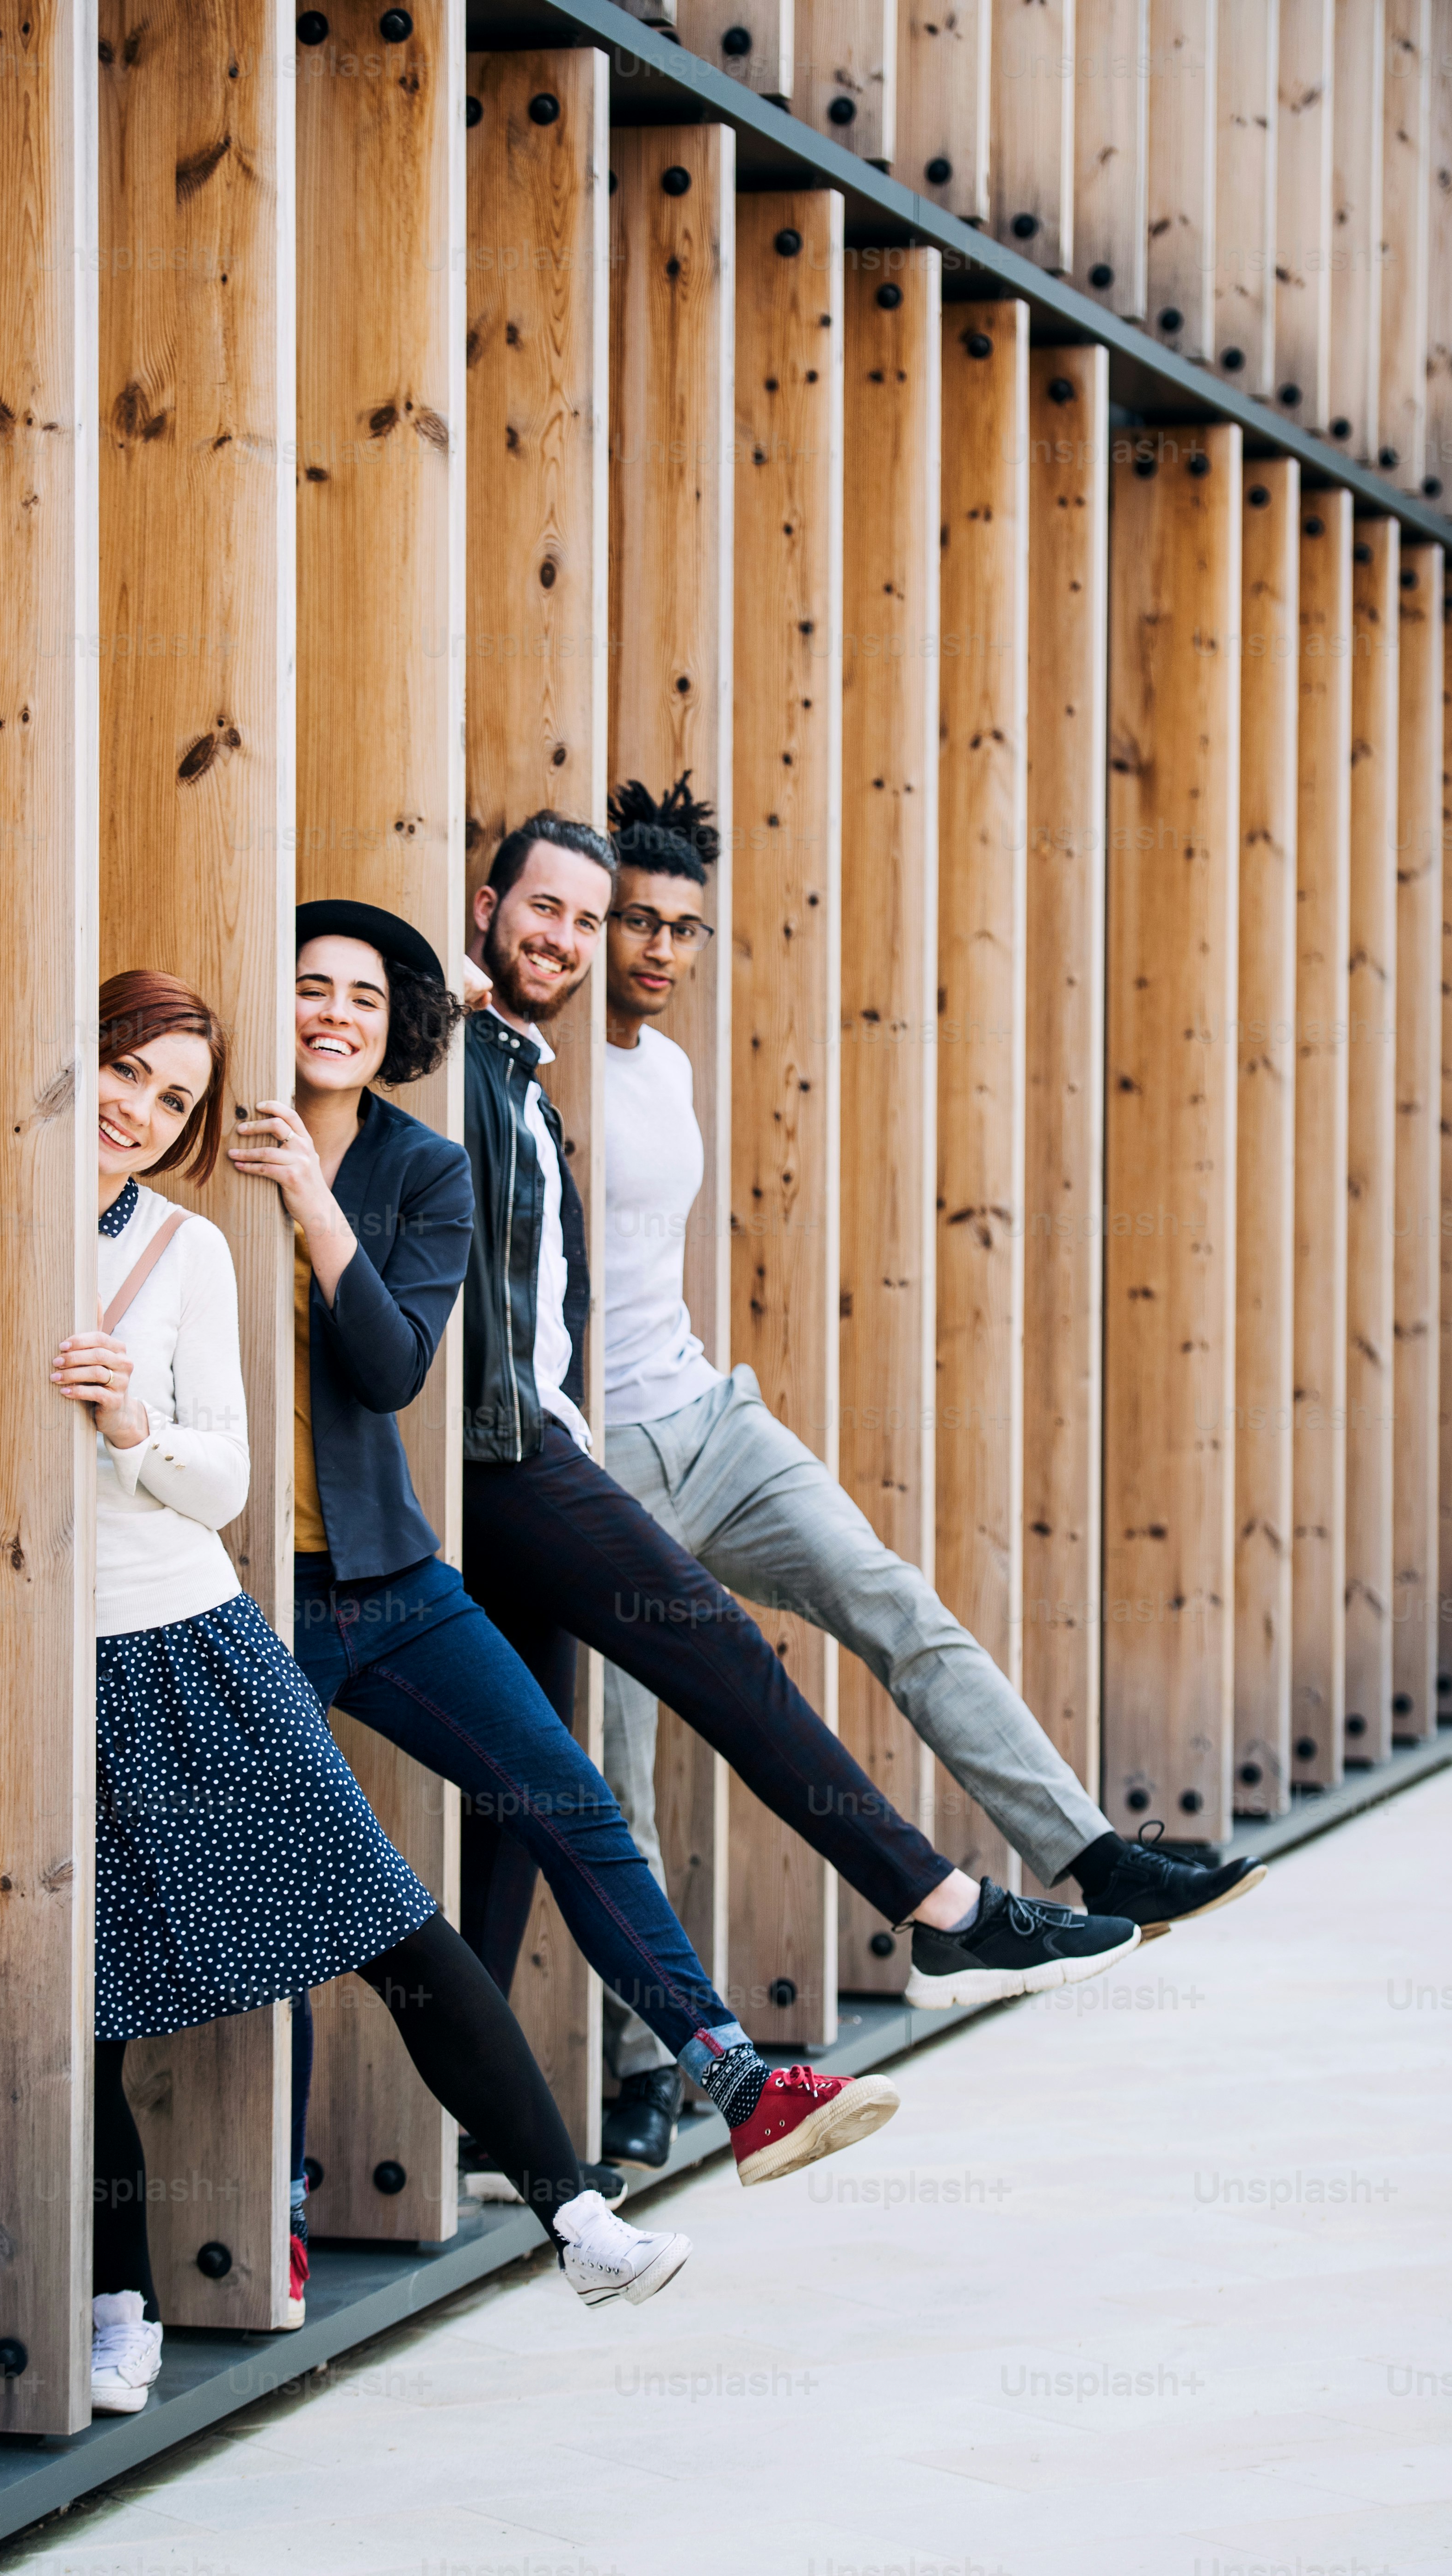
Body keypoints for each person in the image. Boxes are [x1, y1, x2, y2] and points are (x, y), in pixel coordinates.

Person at [588, 778, 1267, 2167]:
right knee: (617, 1764)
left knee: (892, 1598)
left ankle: (1092, 1856)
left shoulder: (667, 1068)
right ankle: (652, 2065)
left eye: (685, 928)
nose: (659, 950)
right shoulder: (524, 1061)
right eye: (637, 923)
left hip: (710, 1424)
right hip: (590, 1466)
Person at [58, 972, 692, 2418]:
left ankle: (574, 2217)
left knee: (386, 1921)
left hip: (189, 1640)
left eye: (171, 1099)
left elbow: (223, 1477)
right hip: (34, 1665)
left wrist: (134, 1425)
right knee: (81, 1997)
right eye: (124, 1073)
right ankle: (117, 2306)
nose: (140, 1113)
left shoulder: (184, 1251)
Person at [225, 901, 905, 2211]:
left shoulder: (419, 1171)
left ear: (396, 1029)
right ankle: (277, 2204)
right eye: (310, 989)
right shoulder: (212, 1151)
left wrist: (315, 1203)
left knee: (568, 1797)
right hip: (250, 1603)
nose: (334, 1016)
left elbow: (389, 1367)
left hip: (390, 1578)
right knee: (306, 1903)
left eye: (364, 999)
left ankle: (739, 2079)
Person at [439, 819, 1146, 2069]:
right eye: (550, 911)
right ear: (485, 905)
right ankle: (943, 1915)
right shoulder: (452, 1054)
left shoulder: (523, 1074)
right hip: (513, 1462)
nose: (571, 939)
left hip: (561, 1440)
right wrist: (436, 996)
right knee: (710, 1667)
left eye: (590, 922)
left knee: (532, 1803)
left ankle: (554, 2146)